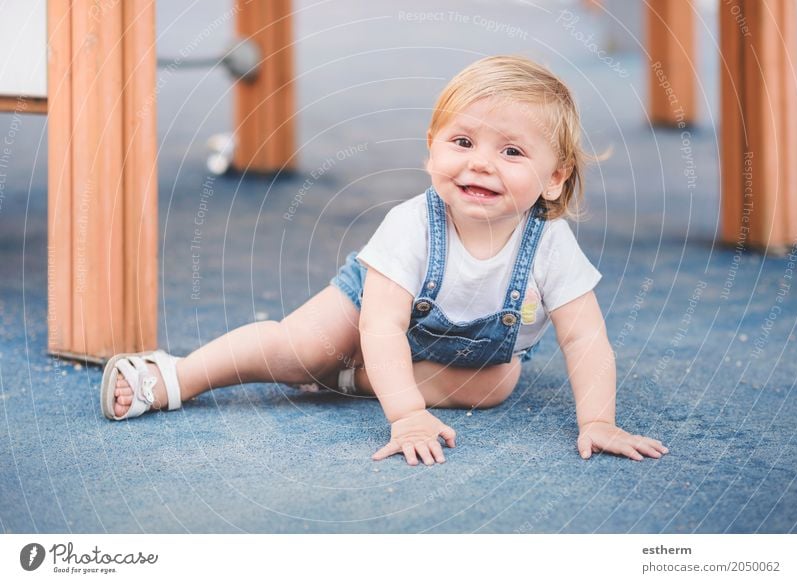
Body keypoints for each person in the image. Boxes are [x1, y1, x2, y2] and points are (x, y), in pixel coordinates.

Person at [101, 55, 668, 466]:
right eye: (462, 142)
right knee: (297, 350)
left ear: (555, 177)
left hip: (453, 356)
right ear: (431, 147)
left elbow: (585, 339)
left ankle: (351, 378)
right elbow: (381, 323)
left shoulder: (550, 244)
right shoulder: (413, 225)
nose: (481, 164)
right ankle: (176, 375)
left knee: (496, 386)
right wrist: (408, 415)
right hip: (369, 308)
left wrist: (597, 418)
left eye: (512, 151)